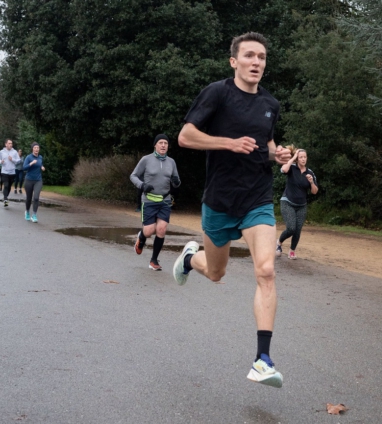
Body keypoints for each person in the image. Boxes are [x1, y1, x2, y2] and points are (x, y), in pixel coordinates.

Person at [173, 32, 292, 388]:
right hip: (220, 201)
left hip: (257, 198)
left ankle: (262, 361)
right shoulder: (218, 93)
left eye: (262, 57)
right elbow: (186, 136)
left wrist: (277, 154)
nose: (256, 62)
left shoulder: (270, 103)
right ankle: (189, 258)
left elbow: (265, 144)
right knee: (216, 273)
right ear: (234, 61)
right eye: (250, 55)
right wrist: (228, 143)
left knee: (266, 270)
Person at [130, 134, 181, 271]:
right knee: (149, 231)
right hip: (149, 200)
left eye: (166, 143)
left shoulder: (171, 162)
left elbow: (176, 181)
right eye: (160, 143)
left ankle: (154, 261)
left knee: (161, 229)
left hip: (165, 200)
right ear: (155, 145)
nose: (163, 145)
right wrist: (142, 185)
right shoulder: (146, 160)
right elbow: (133, 176)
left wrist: (176, 182)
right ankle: (141, 237)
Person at [276, 147, 318, 259]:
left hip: (301, 206)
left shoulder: (310, 173)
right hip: (287, 202)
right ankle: (279, 243)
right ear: (297, 159)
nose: (303, 159)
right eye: (301, 157)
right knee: (291, 228)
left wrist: (311, 182)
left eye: (305, 157)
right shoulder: (292, 168)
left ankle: (292, 251)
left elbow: (314, 192)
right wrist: (293, 157)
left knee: (297, 230)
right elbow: (284, 170)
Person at [23, 142, 45, 223]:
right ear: (32, 149)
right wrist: (31, 163)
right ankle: (27, 212)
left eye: (38, 148)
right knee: (29, 198)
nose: (36, 149)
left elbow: (40, 164)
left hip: (38, 180)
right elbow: (24, 168)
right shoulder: (28, 157)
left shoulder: (40, 157)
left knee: (36, 198)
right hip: (29, 180)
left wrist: (42, 167)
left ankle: (34, 215)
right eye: (35, 148)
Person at [0, 139, 21, 207]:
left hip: (12, 172)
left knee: (9, 186)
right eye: (9, 143)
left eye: (11, 143)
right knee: (6, 185)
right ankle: (5, 199)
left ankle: (6, 197)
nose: (11, 145)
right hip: (4, 172)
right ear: (6, 144)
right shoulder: (1, 152)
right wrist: (1, 161)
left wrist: (12, 159)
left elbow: (18, 160)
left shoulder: (14, 152)